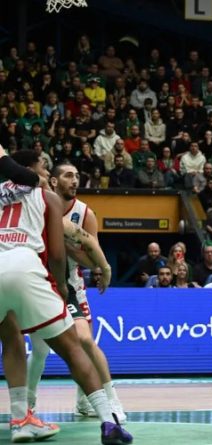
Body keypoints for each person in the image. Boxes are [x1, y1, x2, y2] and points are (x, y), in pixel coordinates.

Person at [0, 148, 131, 443]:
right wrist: (59, 287)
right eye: (43, 168)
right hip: (26, 265)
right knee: (72, 347)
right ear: (30, 170)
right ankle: (109, 420)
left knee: (10, 340)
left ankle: (21, 419)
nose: (47, 173)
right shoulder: (47, 196)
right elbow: (58, 255)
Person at [26, 163, 127, 422]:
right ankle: (29, 403)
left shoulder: (84, 213)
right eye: (68, 176)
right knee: (40, 351)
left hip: (70, 285)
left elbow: (91, 256)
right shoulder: (37, 204)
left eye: (77, 176)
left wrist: (102, 267)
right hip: (37, 282)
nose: (75, 180)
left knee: (84, 340)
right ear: (54, 181)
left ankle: (110, 400)